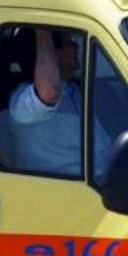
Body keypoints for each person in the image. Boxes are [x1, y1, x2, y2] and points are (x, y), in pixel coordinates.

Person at [7, 29, 85, 175]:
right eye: (69, 41)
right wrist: (43, 33)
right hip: (62, 183)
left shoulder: (72, 89)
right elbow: (49, 93)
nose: (76, 46)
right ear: (53, 53)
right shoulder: (21, 101)